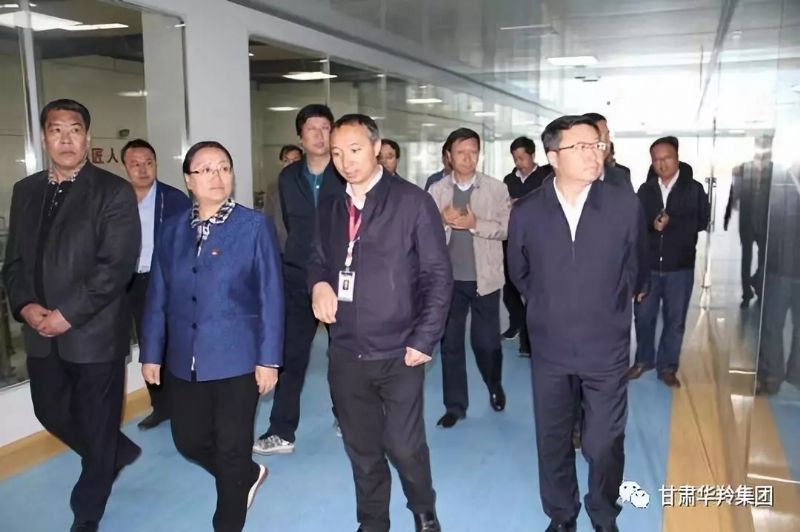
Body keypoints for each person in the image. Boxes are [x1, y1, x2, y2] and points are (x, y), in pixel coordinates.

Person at [2, 98, 142, 532]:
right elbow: (14, 262)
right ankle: (114, 452)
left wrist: (67, 313)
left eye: (74, 129)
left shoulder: (112, 191)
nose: (65, 138)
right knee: (50, 411)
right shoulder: (25, 191)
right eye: (56, 130)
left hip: (94, 331)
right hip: (40, 332)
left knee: (97, 423)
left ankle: (87, 511)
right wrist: (25, 306)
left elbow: (116, 265)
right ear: (44, 138)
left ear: (87, 138)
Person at [308, 114, 451, 532]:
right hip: (346, 351)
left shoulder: (411, 202)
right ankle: (372, 522)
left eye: (355, 150)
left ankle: (423, 509)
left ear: (376, 147)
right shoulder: (331, 205)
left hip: (400, 349)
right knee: (362, 447)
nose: (346, 161)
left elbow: (437, 276)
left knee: (404, 445)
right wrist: (318, 284)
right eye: (337, 153)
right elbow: (317, 258)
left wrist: (424, 338)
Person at [507, 115, 647, 532]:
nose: (594, 154)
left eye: (597, 145)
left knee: (603, 441)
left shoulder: (623, 205)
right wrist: (550, 305)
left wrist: (608, 306)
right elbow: (519, 272)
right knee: (552, 438)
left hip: (606, 346)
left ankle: (603, 512)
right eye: (582, 147)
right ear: (553, 157)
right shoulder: (528, 212)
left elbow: (636, 268)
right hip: (549, 347)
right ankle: (562, 515)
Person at [140, 140, 283, 532]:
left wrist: (269, 359)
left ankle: (228, 519)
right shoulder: (172, 230)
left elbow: (271, 296)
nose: (217, 176)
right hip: (184, 359)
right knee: (188, 440)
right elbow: (157, 295)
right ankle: (247, 475)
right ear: (188, 180)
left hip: (239, 358)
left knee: (232, 447)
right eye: (205, 169)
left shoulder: (253, 227)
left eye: (224, 167)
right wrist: (151, 352)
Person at [254, 104, 345, 455]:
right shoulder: (288, 177)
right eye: (312, 129)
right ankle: (281, 431)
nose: (320, 135)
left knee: (344, 354)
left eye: (326, 128)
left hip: (340, 277)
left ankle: (348, 417)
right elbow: (288, 225)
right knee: (290, 356)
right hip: (297, 277)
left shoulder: (345, 171)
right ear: (300, 136)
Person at [429, 128, 510, 428]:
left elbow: (507, 228)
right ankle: (455, 406)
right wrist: (441, 220)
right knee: (450, 344)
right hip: (449, 282)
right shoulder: (436, 190)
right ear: (448, 156)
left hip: (484, 278)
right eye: (461, 152)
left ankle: (494, 383)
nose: (467, 158)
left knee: (486, 342)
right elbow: (423, 232)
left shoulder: (496, 189)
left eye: (473, 152)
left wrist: (476, 224)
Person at [626, 136, 709, 389]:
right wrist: (652, 225)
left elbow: (701, 222)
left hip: (680, 267)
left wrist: (672, 223)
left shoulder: (693, 189)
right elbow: (636, 226)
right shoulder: (645, 190)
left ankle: (668, 367)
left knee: (675, 321)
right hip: (649, 267)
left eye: (667, 158)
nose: (662, 164)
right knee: (643, 317)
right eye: (657, 159)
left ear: (677, 158)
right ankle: (643, 360)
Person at [122, 138, 191, 430]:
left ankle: (184, 405)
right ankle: (160, 407)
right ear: (125, 167)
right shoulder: (116, 201)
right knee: (148, 345)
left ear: (156, 164)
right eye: (135, 164)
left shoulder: (174, 200)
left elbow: (188, 244)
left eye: (148, 163)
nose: (142, 169)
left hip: (164, 281)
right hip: (129, 283)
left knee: (175, 343)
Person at [501, 136, 549, 356]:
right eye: (515, 158)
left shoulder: (546, 177)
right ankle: (517, 324)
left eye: (522, 158)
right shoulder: (509, 180)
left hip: (538, 241)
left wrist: (522, 204)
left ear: (532, 155)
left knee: (533, 291)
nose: (519, 163)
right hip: (512, 240)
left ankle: (529, 342)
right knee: (510, 288)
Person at [756, 161, 800, 395]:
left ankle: (797, 374)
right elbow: (760, 224)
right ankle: (772, 374)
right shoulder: (775, 187)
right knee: (772, 324)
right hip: (778, 269)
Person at [723, 135, 773, 307]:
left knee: (764, 258)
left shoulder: (774, 170)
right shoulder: (742, 169)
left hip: (765, 222)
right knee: (746, 258)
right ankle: (746, 293)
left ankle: (758, 283)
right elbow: (734, 194)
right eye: (761, 144)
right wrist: (727, 215)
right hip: (747, 222)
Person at [582, 113, 632, 192]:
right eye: (598, 137)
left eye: (607, 136)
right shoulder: (567, 177)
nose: (605, 143)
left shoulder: (621, 177)